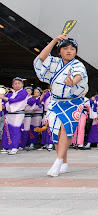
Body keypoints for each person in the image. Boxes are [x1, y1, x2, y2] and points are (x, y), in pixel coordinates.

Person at [33, 35, 88, 176]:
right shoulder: (54, 62)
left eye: (72, 49)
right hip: (56, 101)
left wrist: (72, 82)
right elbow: (42, 58)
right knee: (56, 131)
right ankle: (63, 162)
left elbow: (79, 75)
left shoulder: (78, 64)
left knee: (66, 128)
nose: (69, 51)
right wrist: (54, 41)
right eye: (65, 48)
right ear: (59, 51)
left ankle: (57, 162)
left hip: (73, 102)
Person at [1, 78, 30, 155]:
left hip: (18, 114)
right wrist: (3, 105)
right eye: (15, 84)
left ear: (22, 85)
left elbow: (16, 100)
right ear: (12, 85)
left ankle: (14, 147)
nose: (17, 85)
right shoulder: (10, 94)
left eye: (19, 83)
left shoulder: (23, 92)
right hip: (9, 114)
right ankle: (7, 147)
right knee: (7, 130)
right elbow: (4, 102)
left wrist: (3, 97)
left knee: (15, 130)